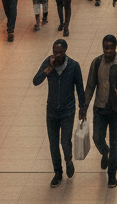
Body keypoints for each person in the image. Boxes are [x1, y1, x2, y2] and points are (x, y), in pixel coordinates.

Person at [81, 34, 117, 188]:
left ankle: (112, 174)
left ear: (115, 48)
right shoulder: (96, 63)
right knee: (97, 137)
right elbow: (91, 86)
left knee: (115, 142)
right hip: (100, 108)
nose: (109, 51)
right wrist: (84, 107)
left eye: (111, 48)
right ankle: (105, 152)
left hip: (116, 111)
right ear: (103, 48)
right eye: (106, 48)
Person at [33, 38, 85, 186]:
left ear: (65, 52)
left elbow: (80, 88)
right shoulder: (48, 62)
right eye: (55, 52)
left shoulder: (74, 66)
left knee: (65, 141)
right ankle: (57, 173)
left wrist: (82, 108)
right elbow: (35, 81)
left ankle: (68, 160)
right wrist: (47, 70)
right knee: (53, 144)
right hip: (51, 111)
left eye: (60, 52)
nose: (57, 55)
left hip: (68, 110)